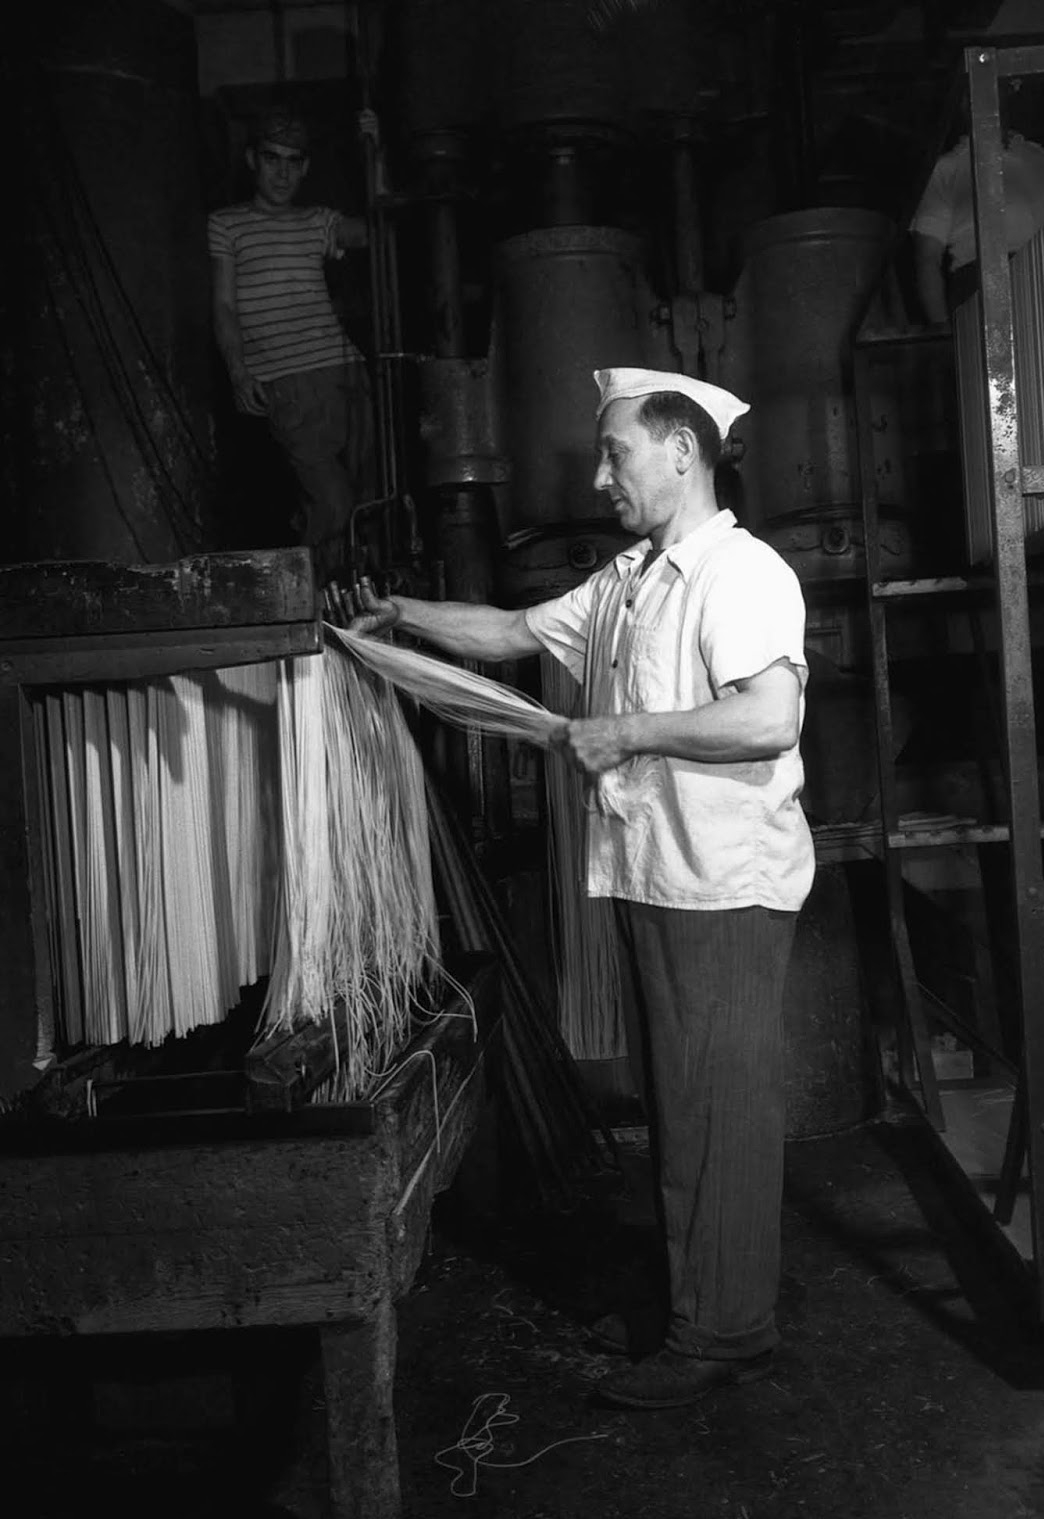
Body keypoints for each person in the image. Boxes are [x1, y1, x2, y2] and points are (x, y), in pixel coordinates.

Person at [352, 367, 815, 1410]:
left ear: (683, 451)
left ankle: (728, 1334)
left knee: (719, 1113)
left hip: (724, 888)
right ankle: (697, 1303)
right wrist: (401, 619)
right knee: (682, 1108)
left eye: (618, 453)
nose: (602, 475)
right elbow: (515, 634)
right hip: (664, 879)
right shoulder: (631, 580)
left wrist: (626, 730)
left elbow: (766, 720)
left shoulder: (737, 574)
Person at [207, 105, 378, 577]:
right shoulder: (226, 225)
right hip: (287, 385)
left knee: (371, 504)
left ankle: (366, 607)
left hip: (346, 373)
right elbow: (223, 307)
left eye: (292, 162)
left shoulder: (316, 221)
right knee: (334, 504)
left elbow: (378, 229)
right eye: (271, 159)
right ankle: (318, 613)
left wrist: (373, 153)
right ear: (251, 160)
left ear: (304, 167)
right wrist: (238, 371)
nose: (282, 172)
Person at [911, 124, 1044, 323]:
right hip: (984, 285)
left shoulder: (1042, 157)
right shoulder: (946, 168)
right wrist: (943, 333)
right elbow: (927, 259)